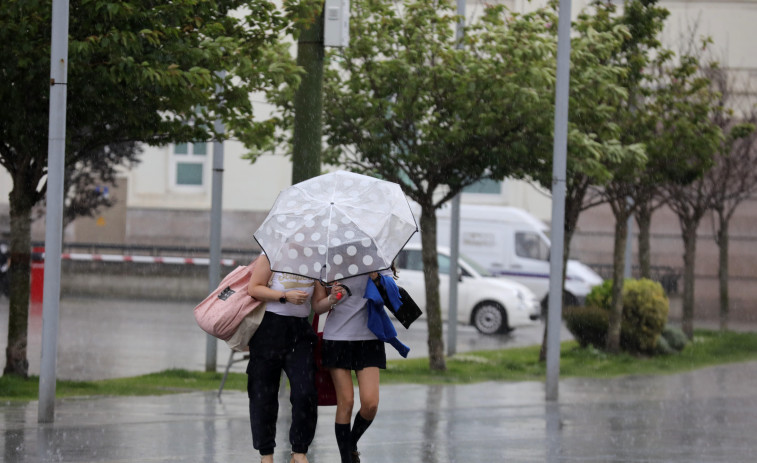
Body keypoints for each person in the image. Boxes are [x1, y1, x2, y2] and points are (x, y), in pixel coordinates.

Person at [246, 254, 343, 463]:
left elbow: (317, 305)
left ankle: (299, 451)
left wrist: (332, 299)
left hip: (299, 333)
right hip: (268, 330)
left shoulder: (314, 260)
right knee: (263, 394)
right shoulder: (272, 254)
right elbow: (254, 288)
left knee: (305, 391)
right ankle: (266, 454)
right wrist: (284, 296)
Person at [315, 266, 407, 463]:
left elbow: (392, 299)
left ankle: (351, 444)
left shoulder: (377, 261)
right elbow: (317, 306)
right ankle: (346, 459)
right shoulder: (326, 263)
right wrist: (331, 299)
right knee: (346, 402)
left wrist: (376, 279)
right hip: (337, 338)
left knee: (370, 404)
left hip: (369, 338)